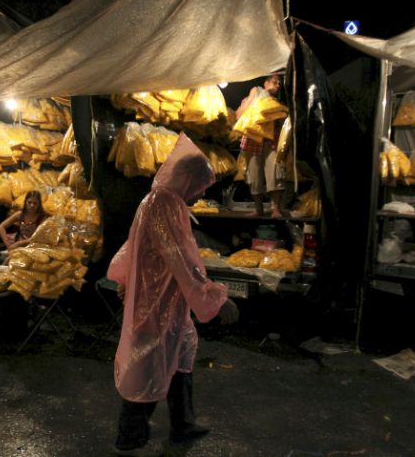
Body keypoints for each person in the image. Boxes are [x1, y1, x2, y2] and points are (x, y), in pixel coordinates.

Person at [107, 133, 239, 454]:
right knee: (147, 367)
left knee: (180, 359)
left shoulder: (156, 201)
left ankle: (183, 425)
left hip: (167, 303)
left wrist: (126, 281)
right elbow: (180, 258)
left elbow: (130, 249)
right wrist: (215, 298)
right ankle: (129, 439)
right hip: (156, 304)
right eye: (200, 184)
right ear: (187, 178)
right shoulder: (164, 203)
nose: (201, 192)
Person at [237, 73, 286, 218]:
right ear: (265, 83)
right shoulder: (256, 91)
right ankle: (258, 209)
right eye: (275, 82)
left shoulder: (277, 103)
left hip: (271, 142)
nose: (278, 85)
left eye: (279, 83)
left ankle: (276, 209)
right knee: (254, 175)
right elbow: (242, 114)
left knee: (275, 173)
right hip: (252, 140)